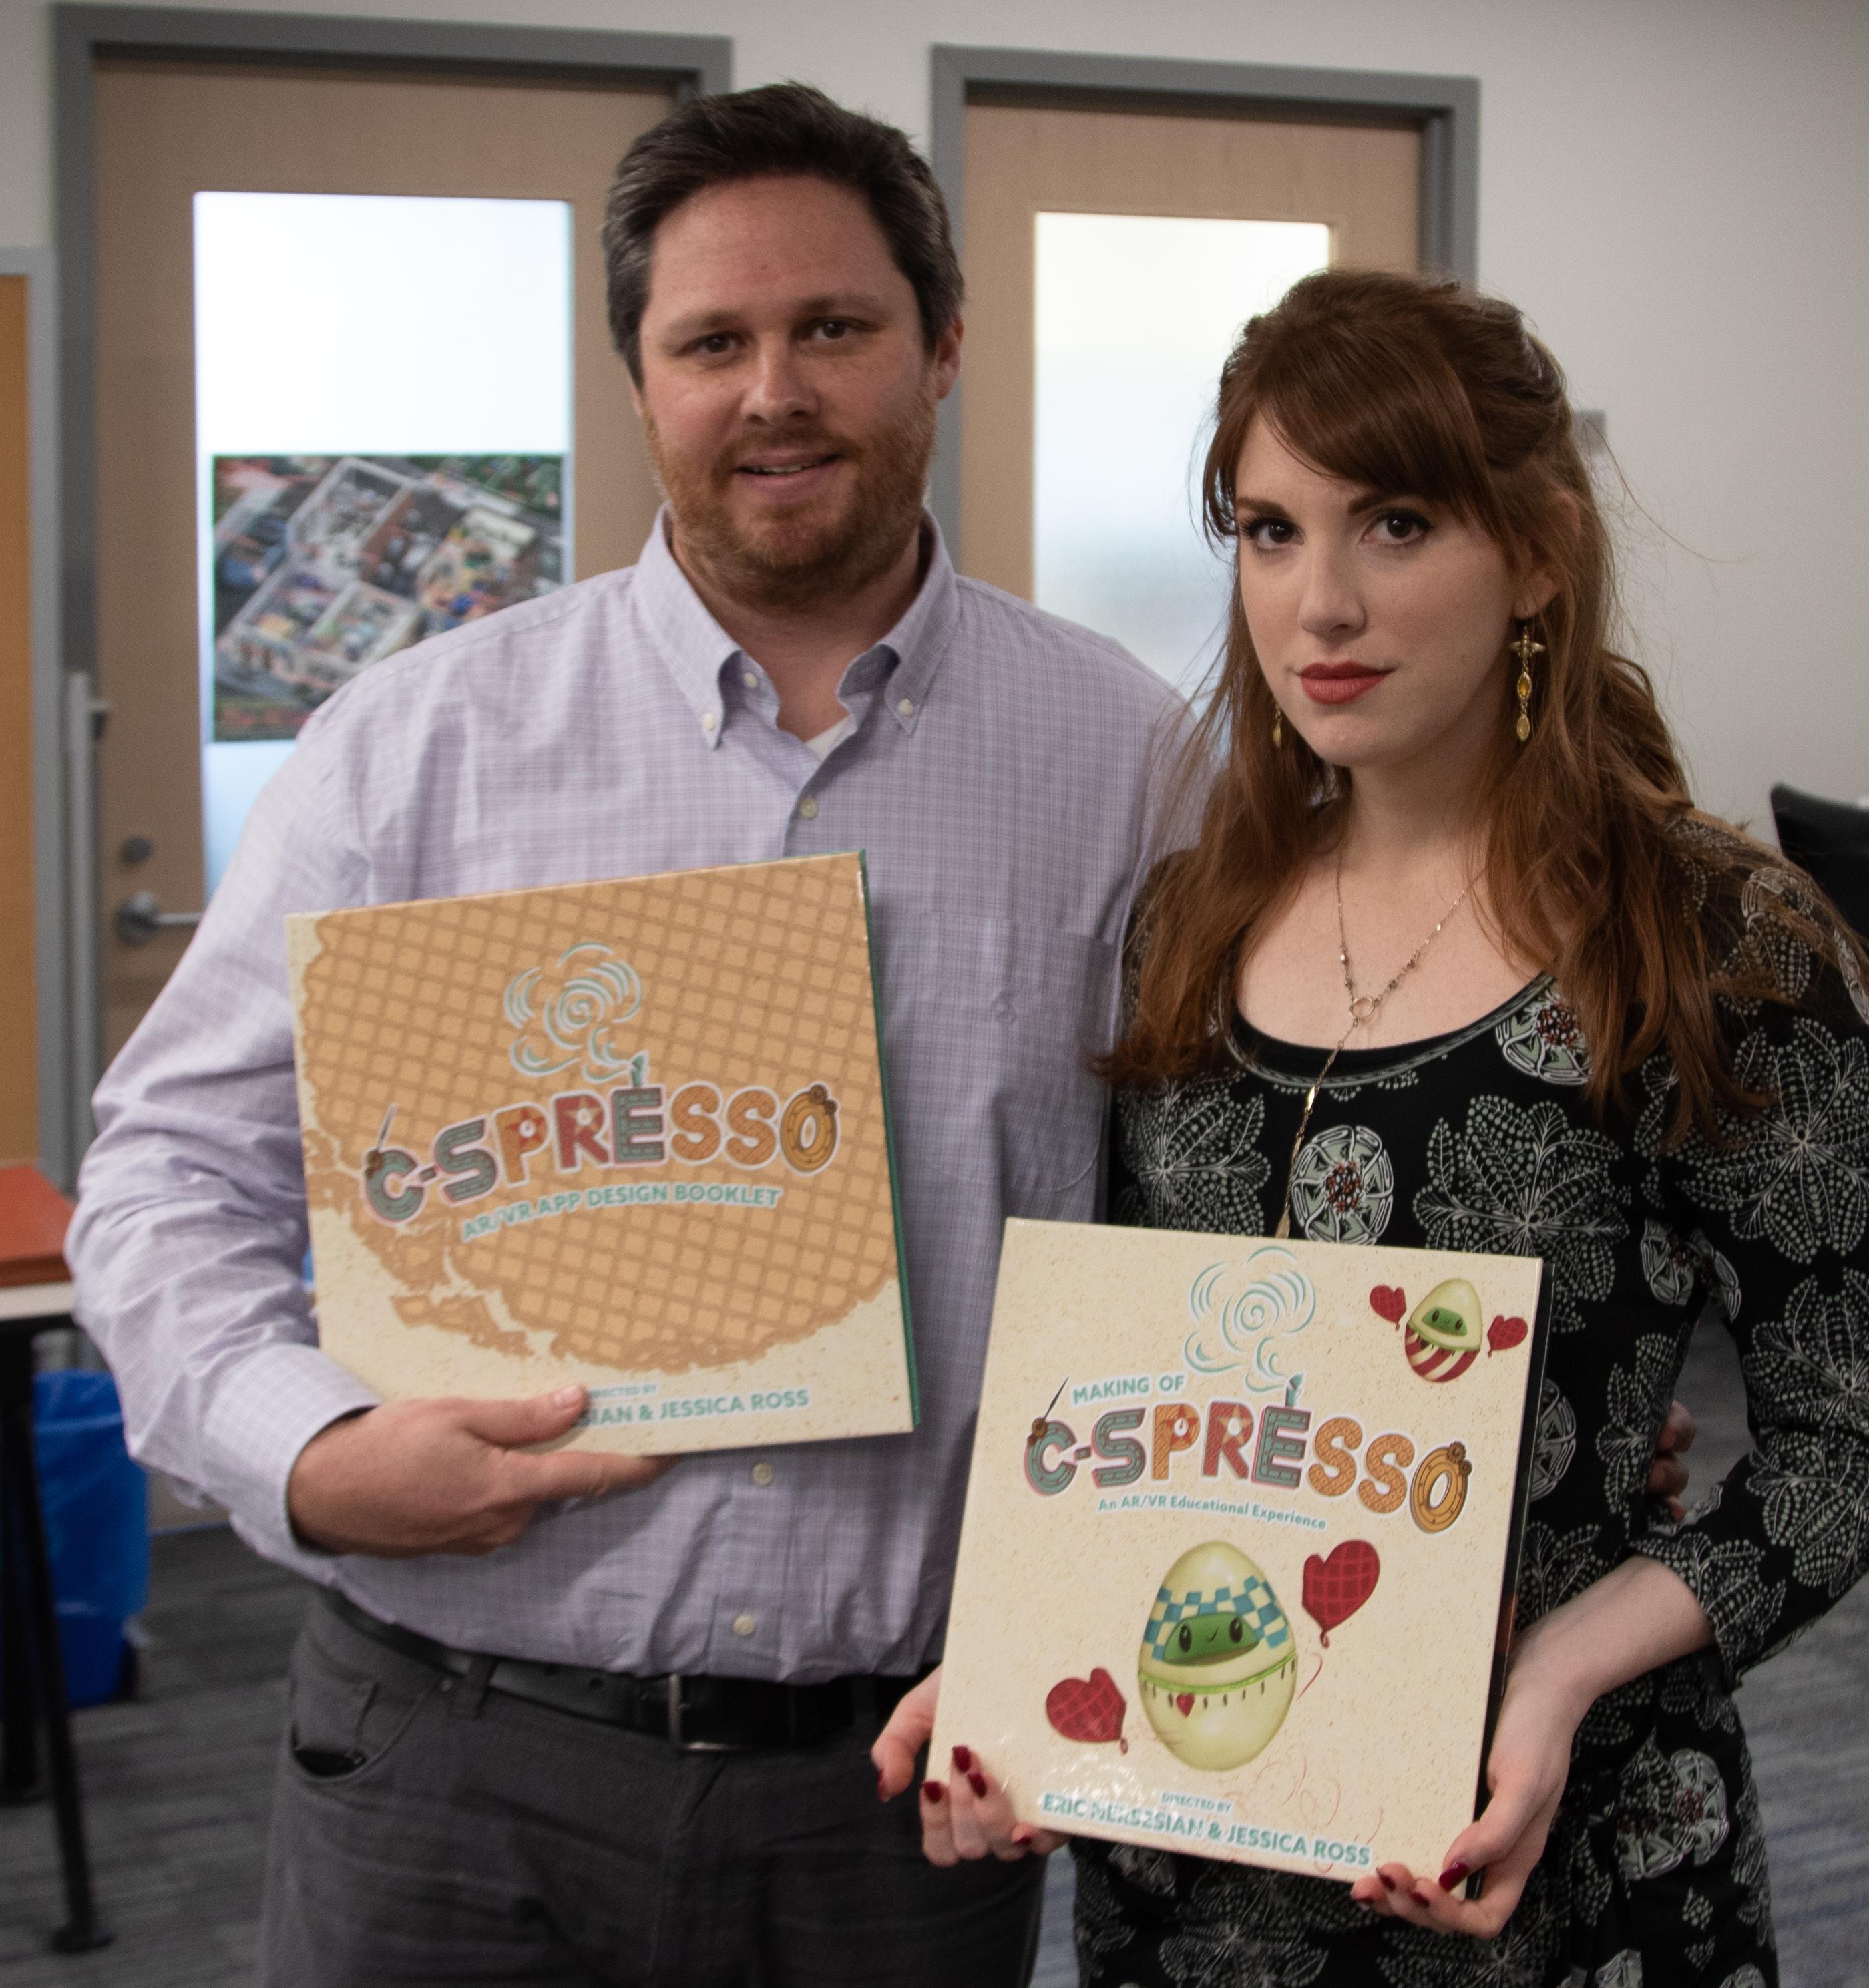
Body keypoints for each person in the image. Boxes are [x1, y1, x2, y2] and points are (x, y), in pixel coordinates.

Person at [67, 85, 1183, 1987]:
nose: (774, 392)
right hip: (448, 1763)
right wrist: (310, 1451)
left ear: (942, 343)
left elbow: (1215, 1213)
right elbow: (169, 1175)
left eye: (832, 327)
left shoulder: (1131, 758)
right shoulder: (417, 743)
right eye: (711, 343)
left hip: (899, 1793)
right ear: (639, 379)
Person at [875, 268, 1869, 1986]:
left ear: (1537, 551)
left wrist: (1558, 1668)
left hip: (1548, 1848)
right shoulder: (1186, 919)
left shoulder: (1713, 941)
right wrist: (1021, 1663)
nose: (1319, 601)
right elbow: (1146, 1396)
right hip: (1193, 1871)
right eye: (1269, 531)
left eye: (1394, 524)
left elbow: (1841, 1440)